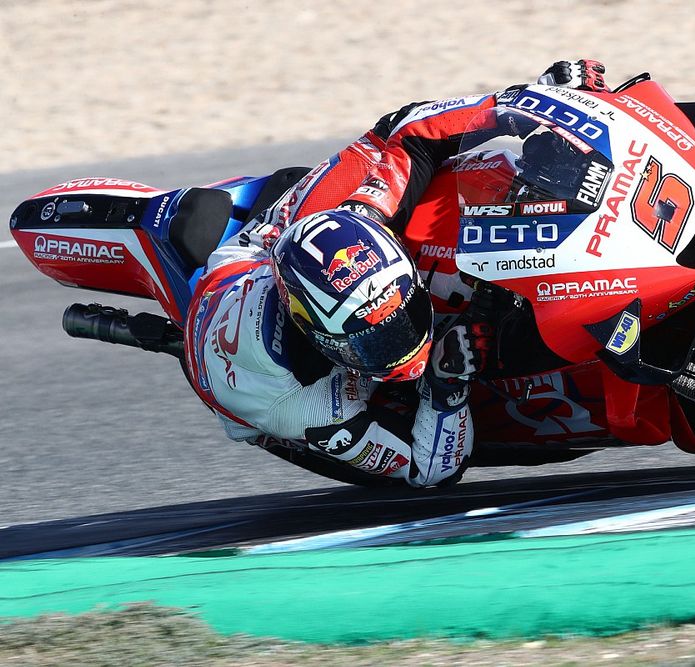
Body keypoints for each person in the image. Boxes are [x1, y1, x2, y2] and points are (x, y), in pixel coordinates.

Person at [184, 60, 610, 487]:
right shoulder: (305, 404)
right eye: (380, 342)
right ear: (321, 338)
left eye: (405, 314)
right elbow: (428, 473)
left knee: (388, 145)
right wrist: (447, 388)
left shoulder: (362, 214)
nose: (410, 348)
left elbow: (411, 129)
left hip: (264, 247)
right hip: (261, 375)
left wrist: (535, 107)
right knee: (420, 421)